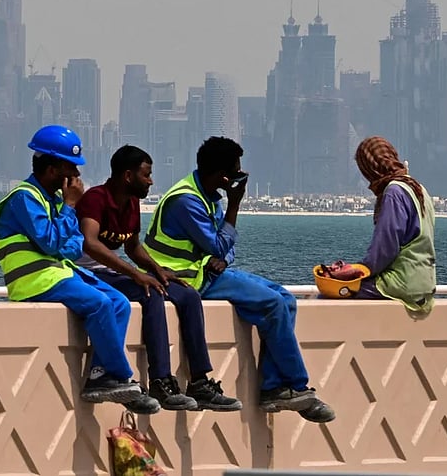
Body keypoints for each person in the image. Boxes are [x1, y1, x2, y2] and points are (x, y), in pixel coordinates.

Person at [144, 136, 335, 423]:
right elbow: (220, 242)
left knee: (285, 299)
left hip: (208, 270)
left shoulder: (208, 196)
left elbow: (225, 247)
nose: (240, 175)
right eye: (237, 170)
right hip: (188, 280)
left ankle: (273, 386)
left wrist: (224, 257)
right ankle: (297, 385)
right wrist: (235, 204)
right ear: (223, 176)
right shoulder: (186, 201)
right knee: (272, 304)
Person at [0, 125, 154, 409]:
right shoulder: (25, 198)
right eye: (72, 168)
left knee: (119, 303)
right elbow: (53, 243)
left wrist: (63, 219)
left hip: (59, 273)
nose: (77, 177)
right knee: (99, 303)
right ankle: (124, 377)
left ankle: (100, 376)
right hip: (34, 281)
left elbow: (74, 244)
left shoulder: (53, 200)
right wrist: (69, 207)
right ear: (52, 169)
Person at [75, 145, 241, 413]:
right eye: (146, 175)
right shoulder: (96, 199)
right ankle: (161, 381)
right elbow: (90, 244)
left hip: (112, 271)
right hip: (88, 272)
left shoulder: (131, 202)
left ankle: (199, 381)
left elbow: (132, 247)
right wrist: (136, 274)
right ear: (128, 176)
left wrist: (157, 270)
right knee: (150, 294)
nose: (151, 181)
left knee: (187, 295)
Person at [350, 136, 436, 316]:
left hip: (401, 283)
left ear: (371, 166)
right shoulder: (419, 189)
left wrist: (359, 270)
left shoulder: (394, 192)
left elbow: (385, 247)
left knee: (340, 292)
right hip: (424, 283)